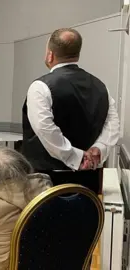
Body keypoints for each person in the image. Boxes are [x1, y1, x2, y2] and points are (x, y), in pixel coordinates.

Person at [22, 28, 120, 193]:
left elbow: (46, 130)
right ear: (77, 54)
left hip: (47, 183)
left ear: (50, 55)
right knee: (88, 218)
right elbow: (112, 122)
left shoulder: (40, 87)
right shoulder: (101, 86)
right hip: (90, 180)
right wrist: (98, 149)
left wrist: (78, 157)